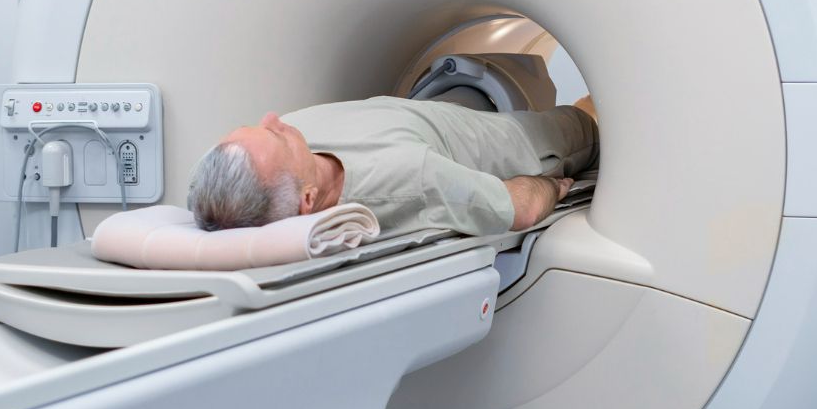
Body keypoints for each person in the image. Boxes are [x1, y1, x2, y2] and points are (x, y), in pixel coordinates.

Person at [187, 97, 598, 237]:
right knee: (590, 117)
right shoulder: (407, 178)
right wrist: (554, 186)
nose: (275, 119)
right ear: (307, 200)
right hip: (514, 140)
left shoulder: (295, 152)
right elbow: (519, 209)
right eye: (275, 136)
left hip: (437, 111)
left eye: (262, 127)